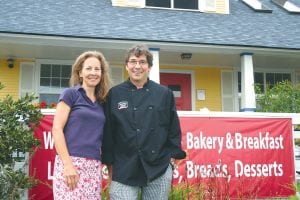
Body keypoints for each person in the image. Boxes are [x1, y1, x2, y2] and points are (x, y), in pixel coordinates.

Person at [102, 44, 186, 200]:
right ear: (126, 66)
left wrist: (172, 159)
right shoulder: (115, 94)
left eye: (142, 62)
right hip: (124, 167)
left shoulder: (164, 94)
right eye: (133, 61)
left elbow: (173, 127)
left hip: (158, 167)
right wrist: (109, 163)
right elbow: (109, 132)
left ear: (149, 67)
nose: (137, 66)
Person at [52, 51, 111, 199]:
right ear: (80, 73)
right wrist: (67, 165)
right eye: (88, 68)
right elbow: (57, 129)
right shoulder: (70, 94)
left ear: (102, 73)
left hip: (93, 165)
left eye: (97, 69)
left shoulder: (103, 102)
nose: (93, 73)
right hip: (70, 163)